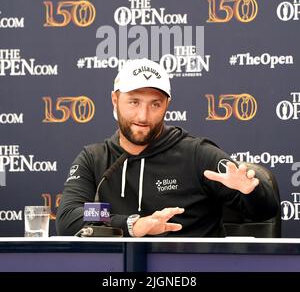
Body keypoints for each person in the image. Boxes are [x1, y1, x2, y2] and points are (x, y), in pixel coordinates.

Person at [56, 58, 279, 237]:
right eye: (134, 102)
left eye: (155, 104)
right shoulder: (94, 159)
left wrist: (251, 192)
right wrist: (131, 224)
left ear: (167, 105)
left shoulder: (197, 154)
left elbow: (264, 212)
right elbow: (67, 219)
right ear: (115, 100)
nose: (143, 116)